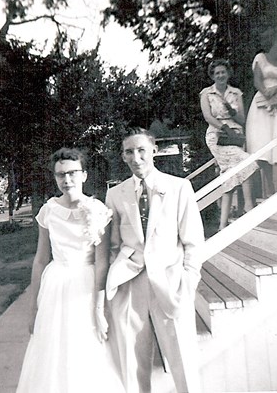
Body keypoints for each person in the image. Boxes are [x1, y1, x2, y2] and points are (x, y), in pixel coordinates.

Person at [16, 147, 124, 393]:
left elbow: (102, 260)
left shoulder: (97, 210)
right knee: (54, 349)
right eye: (60, 175)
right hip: (56, 283)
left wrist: (99, 307)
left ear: (84, 175)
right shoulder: (49, 210)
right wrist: (34, 306)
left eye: (73, 173)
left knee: (85, 347)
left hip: (87, 285)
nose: (66, 180)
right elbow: (41, 259)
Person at [105, 127, 205, 393]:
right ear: (123, 156)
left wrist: (188, 281)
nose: (136, 158)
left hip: (171, 282)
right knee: (133, 361)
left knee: (182, 355)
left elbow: (193, 241)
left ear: (154, 151)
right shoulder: (115, 194)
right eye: (129, 152)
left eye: (141, 150)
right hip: (130, 283)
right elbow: (114, 245)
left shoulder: (178, 187)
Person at [200, 59, 259, 230]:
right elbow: (208, 117)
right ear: (212, 75)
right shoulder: (207, 94)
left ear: (228, 73)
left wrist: (232, 112)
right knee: (246, 162)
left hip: (236, 136)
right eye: (217, 73)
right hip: (217, 135)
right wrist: (225, 127)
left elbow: (242, 119)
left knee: (230, 177)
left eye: (223, 72)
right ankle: (249, 207)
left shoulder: (236, 93)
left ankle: (222, 225)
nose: (220, 75)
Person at [246, 25, 277, 196]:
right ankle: (270, 192)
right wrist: (267, 92)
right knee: (263, 148)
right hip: (262, 104)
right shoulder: (260, 58)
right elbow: (257, 81)